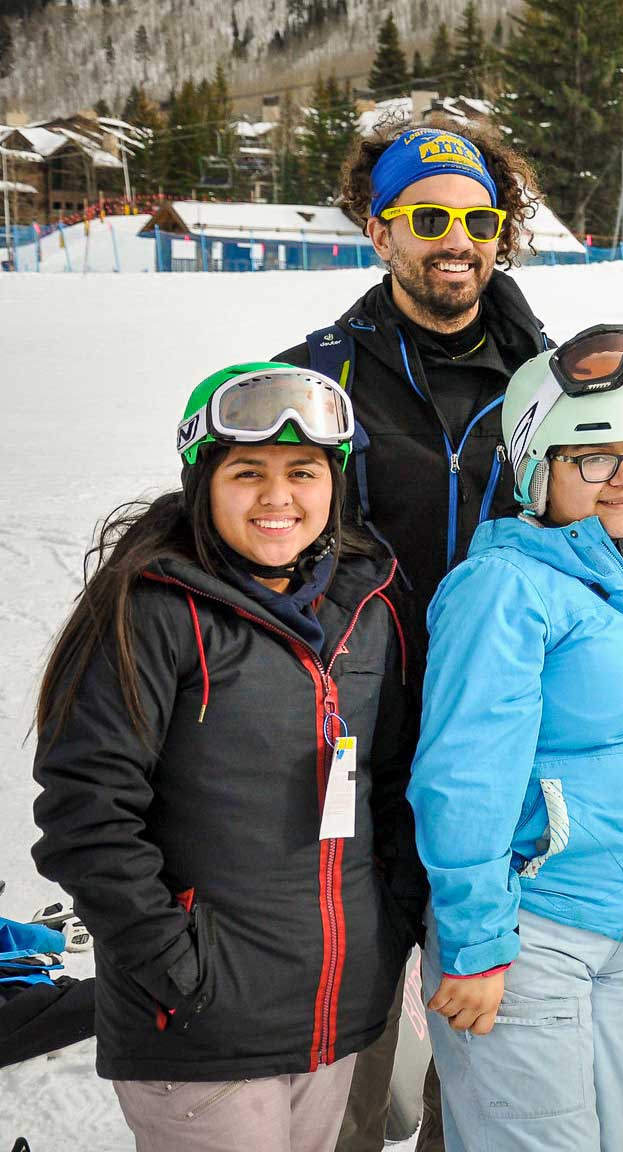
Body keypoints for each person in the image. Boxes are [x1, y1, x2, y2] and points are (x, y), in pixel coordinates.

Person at [32, 364, 417, 1152]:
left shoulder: (368, 609)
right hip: (200, 1029)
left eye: (303, 473)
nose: (279, 498)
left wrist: (390, 923)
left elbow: (393, 789)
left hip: (332, 1012)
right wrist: (177, 968)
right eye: (248, 473)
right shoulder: (150, 608)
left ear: (334, 485)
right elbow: (85, 812)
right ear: (203, 479)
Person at [273, 116, 552, 1152]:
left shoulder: (552, 384)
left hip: (499, 751)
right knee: (344, 1034)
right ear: (377, 227)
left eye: (477, 218)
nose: (456, 239)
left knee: (484, 1036)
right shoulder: (314, 380)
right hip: (349, 748)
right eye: (427, 216)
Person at [407, 326, 623, 1152]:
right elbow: (465, 778)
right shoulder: (503, 587)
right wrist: (477, 941)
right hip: (528, 933)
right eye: (592, 457)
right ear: (538, 466)